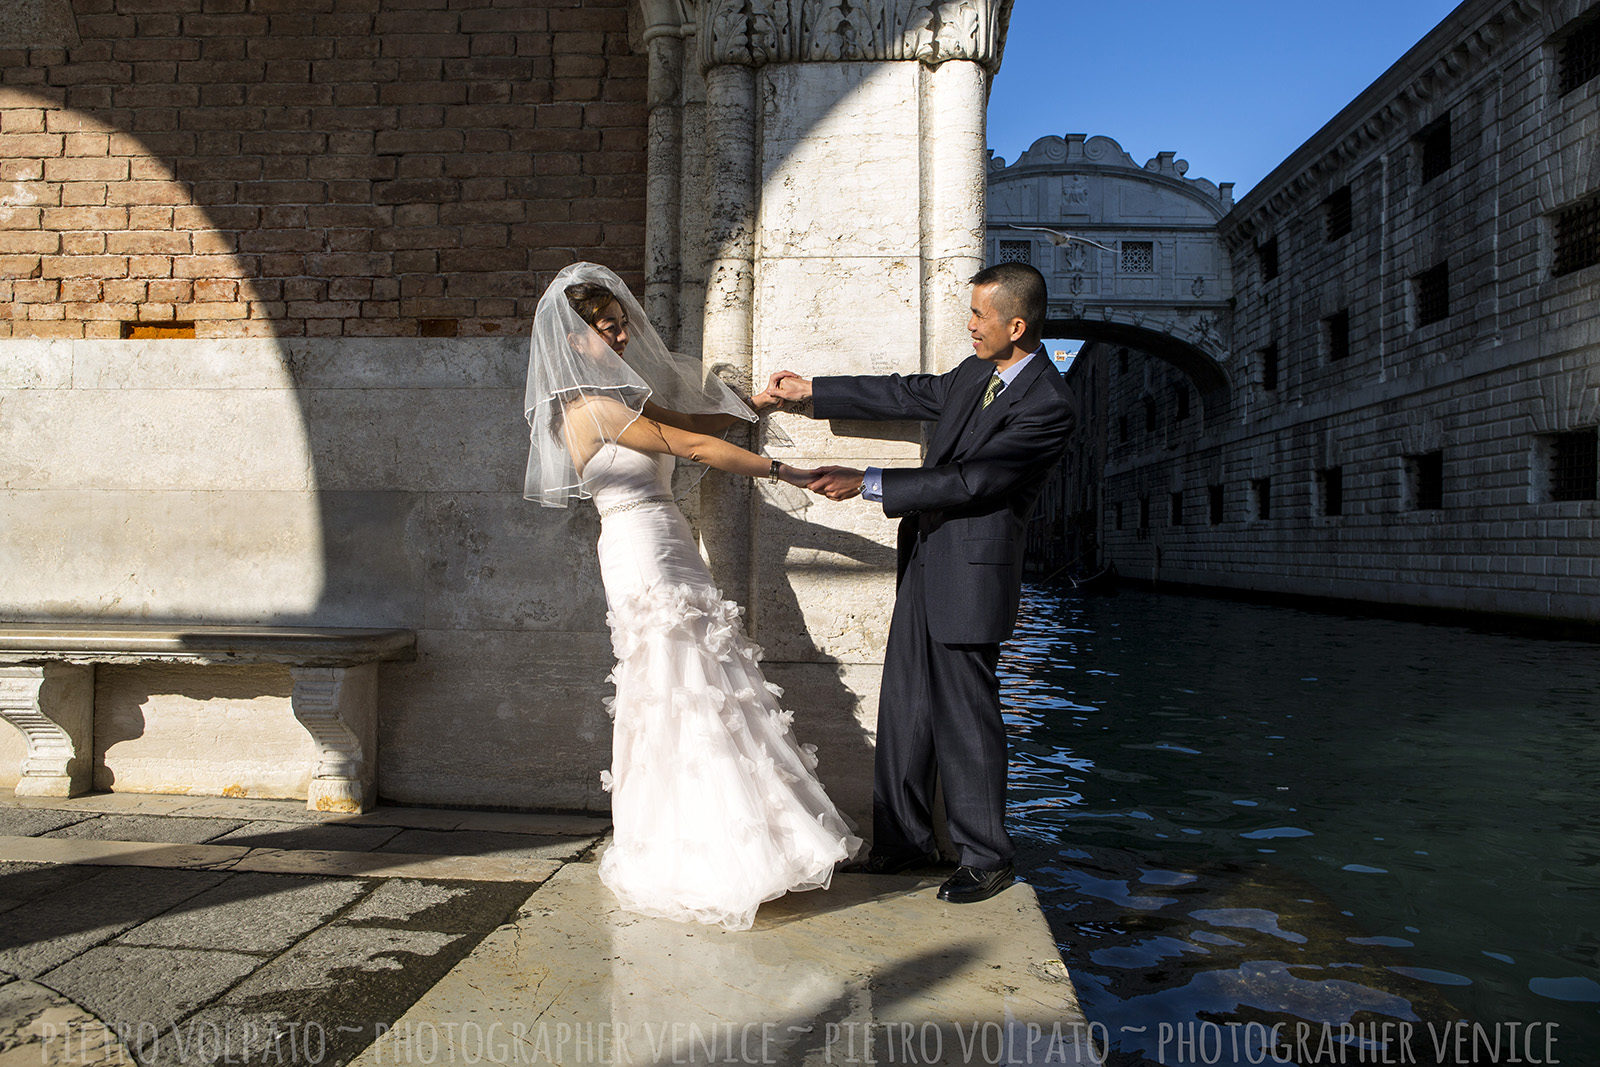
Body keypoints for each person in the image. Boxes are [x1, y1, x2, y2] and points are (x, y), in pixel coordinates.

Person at [524, 261, 861, 932]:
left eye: (623, 327)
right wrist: (787, 469)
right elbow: (688, 443)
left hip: (668, 542)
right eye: (607, 330)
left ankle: (739, 836)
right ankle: (698, 852)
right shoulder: (590, 409)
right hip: (640, 552)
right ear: (574, 340)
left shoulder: (625, 400)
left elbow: (696, 419)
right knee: (675, 680)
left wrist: (759, 404)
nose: (621, 338)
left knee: (705, 677)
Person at [768, 262, 1074, 905]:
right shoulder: (976, 374)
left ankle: (987, 857)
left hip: (973, 579)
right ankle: (903, 844)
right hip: (926, 559)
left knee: (966, 716)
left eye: (978, 317)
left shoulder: (1048, 402)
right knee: (905, 705)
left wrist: (868, 479)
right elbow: (910, 394)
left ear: (1015, 325)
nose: (968, 326)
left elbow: (975, 481)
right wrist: (810, 391)